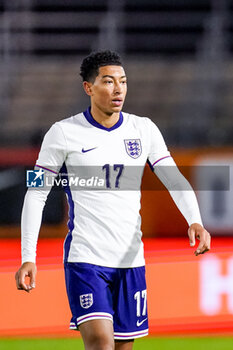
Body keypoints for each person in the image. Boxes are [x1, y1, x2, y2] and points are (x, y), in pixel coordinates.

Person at [15, 50, 211, 350]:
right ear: (88, 87)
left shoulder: (143, 129)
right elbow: (36, 192)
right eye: (108, 81)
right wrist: (29, 255)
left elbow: (172, 178)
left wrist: (195, 220)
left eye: (123, 81)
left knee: (122, 347)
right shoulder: (63, 133)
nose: (118, 89)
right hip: (86, 259)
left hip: (131, 261)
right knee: (100, 343)